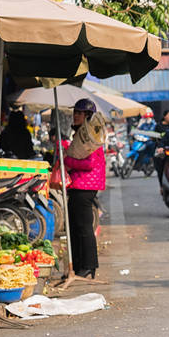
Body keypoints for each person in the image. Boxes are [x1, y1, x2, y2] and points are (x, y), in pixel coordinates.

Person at [64, 98, 106, 278]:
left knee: (83, 227)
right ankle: (78, 265)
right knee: (74, 227)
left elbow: (89, 163)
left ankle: (88, 265)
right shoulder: (81, 134)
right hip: (78, 184)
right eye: (75, 112)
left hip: (85, 185)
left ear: (88, 116)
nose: (75, 116)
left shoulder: (90, 136)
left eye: (79, 113)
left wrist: (67, 160)